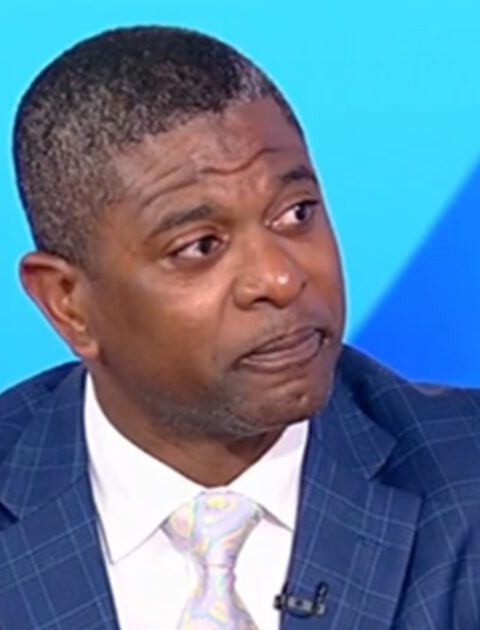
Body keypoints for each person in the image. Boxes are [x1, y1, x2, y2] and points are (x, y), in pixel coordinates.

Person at [0, 25, 479, 630]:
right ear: (67, 303)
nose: (279, 278)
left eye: (296, 213)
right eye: (201, 246)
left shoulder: (465, 476)